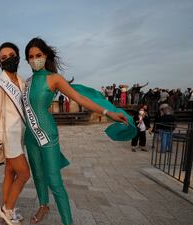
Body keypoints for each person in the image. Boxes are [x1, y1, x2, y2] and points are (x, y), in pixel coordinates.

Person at [23, 37, 129, 225]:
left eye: (38, 55)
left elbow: (79, 98)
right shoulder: (27, 82)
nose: (34, 59)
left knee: (54, 181)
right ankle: (43, 206)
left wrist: (107, 112)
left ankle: (67, 221)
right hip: (30, 136)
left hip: (47, 134)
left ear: (45, 55)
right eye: (30, 57)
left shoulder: (54, 78)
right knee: (38, 175)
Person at [0, 42, 30, 225]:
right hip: (9, 137)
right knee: (24, 174)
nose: (8, 59)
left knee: (10, 173)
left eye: (11, 55)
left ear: (17, 57)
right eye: (3, 58)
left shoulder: (23, 82)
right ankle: (7, 209)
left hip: (20, 136)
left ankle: (5, 206)